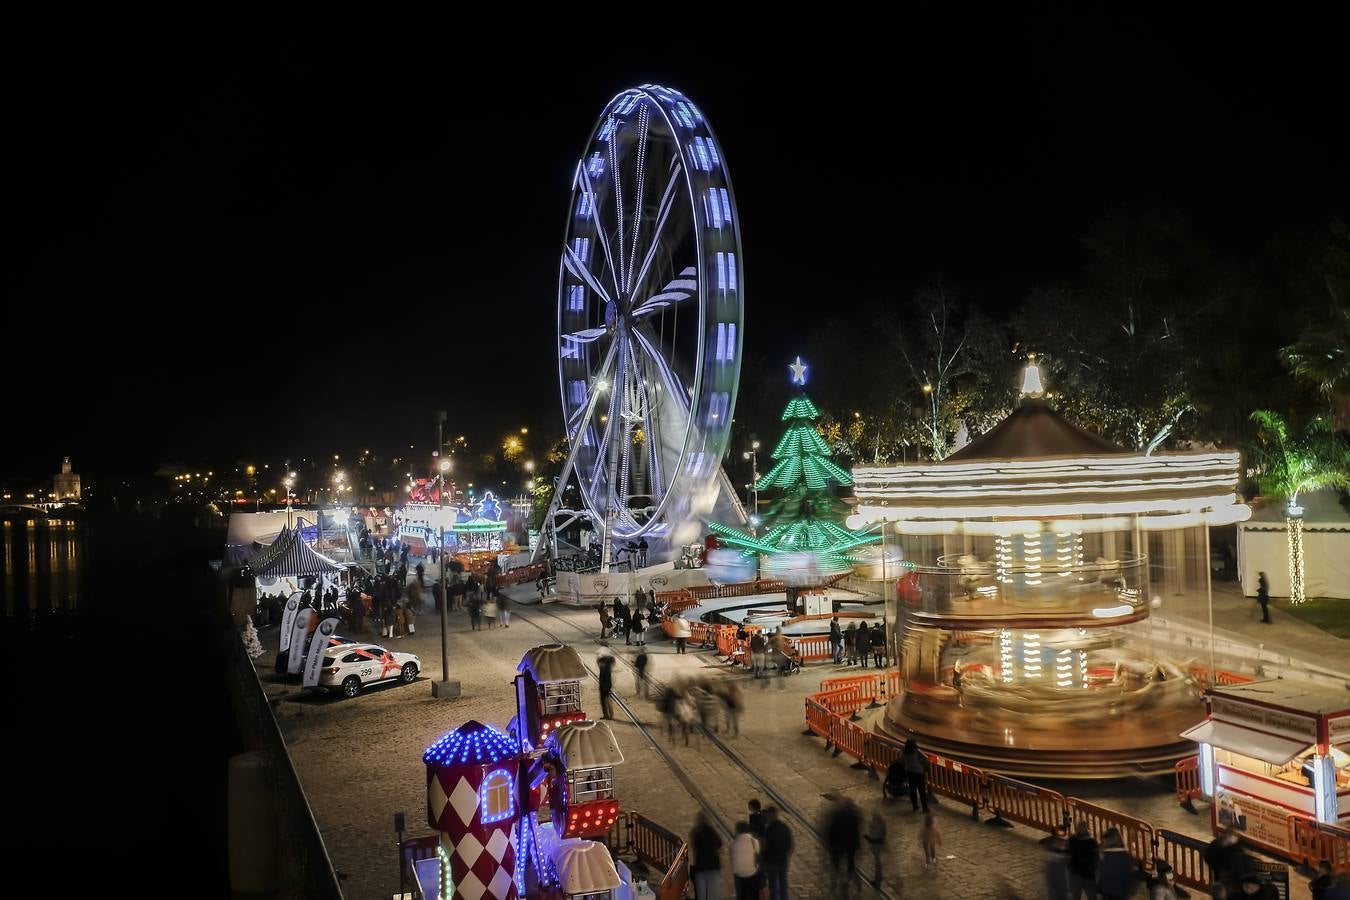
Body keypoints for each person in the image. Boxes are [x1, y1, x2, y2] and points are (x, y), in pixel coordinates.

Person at [825, 799, 861, 900]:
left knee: (837, 863)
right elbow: (856, 833)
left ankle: (839, 880)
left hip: (839, 845)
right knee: (851, 864)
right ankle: (847, 882)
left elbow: (832, 830)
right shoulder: (855, 817)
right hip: (851, 845)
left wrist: (830, 843)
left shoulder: (838, 816)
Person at [689, 811, 723, 900]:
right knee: (713, 894)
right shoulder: (711, 831)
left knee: (702, 895)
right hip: (713, 865)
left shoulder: (694, 832)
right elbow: (719, 844)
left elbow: (695, 849)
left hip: (701, 866)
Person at [762, 807, 793, 900]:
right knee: (783, 886)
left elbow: (765, 847)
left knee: (773, 887)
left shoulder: (768, 830)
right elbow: (790, 843)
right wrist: (787, 855)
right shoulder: (784, 827)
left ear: (771, 816)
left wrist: (764, 860)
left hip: (772, 863)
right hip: (783, 860)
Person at [1097, 827, 1135, 900]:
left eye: (1107, 840)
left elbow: (1102, 871)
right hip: (1118, 893)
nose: (1105, 842)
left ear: (1114, 838)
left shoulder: (1108, 855)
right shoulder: (1125, 854)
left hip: (1110, 892)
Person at [729, 821, 762, 900]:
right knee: (754, 896)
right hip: (752, 873)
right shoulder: (754, 842)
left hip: (739, 875)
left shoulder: (732, 843)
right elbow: (757, 854)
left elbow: (732, 858)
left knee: (741, 896)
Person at [1067, 821, 1099, 899]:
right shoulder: (1092, 842)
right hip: (1082, 876)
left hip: (1083, 876)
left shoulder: (1092, 842)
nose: (1080, 829)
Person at [901, 738, 930, 813]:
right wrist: (922, 764)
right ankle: (925, 807)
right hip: (918, 772)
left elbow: (902, 759)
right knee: (921, 790)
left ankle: (915, 806)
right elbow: (926, 758)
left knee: (912, 789)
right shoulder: (916, 751)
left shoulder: (904, 751)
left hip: (909, 772)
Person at [863, 809, 887, 885]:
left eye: (873, 816)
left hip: (877, 845)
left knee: (878, 863)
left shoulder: (877, 824)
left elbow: (875, 836)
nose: (872, 817)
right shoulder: (879, 823)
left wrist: (868, 838)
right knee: (877, 863)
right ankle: (877, 879)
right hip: (877, 844)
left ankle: (877, 880)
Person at [597, 655, 615, 720]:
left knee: (605, 702)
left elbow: (604, 679)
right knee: (607, 702)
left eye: (601, 662)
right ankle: (609, 715)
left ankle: (607, 715)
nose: (600, 663)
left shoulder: (605, 668)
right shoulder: (607, 667)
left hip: (604, 687)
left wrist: (603, 687)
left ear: (604, 662)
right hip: (606, 687)